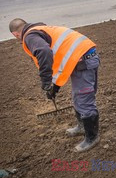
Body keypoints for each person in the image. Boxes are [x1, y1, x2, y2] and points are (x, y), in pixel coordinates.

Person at [9, 18, 101, 152]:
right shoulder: (41, 30)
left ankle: (92, 137)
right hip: (79, 60)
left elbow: (44, 52)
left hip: (84, 60)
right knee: (77, 97)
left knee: (84, 100)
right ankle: (82, 126)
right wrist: (55, 87)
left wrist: (46, 82)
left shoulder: (30, 36)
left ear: (15, 34)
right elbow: (59, 63)